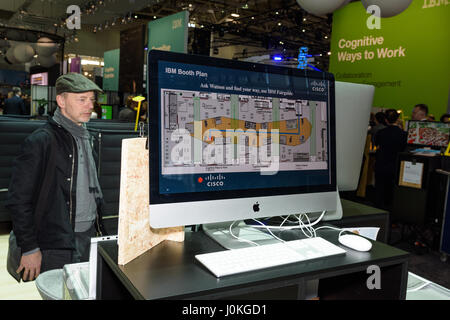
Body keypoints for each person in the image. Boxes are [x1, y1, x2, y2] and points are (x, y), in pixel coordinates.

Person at [6, 73, 106, 282]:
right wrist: (30, 247)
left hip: (88, 235)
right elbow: (19, 199)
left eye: (92, 100)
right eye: (82, 99)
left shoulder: (88, 138)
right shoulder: (41, 141)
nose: (90, 105)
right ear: (61, 100)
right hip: (55, 242)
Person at [374, 109, 407, 210]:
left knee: (379, 190)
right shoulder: (404, 134)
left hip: (381, 164)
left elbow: (376, 145)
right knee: (391, 191)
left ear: (386, 120)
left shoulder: (381, 133)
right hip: (395, 166)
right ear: (397, 119)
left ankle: (377, 211)